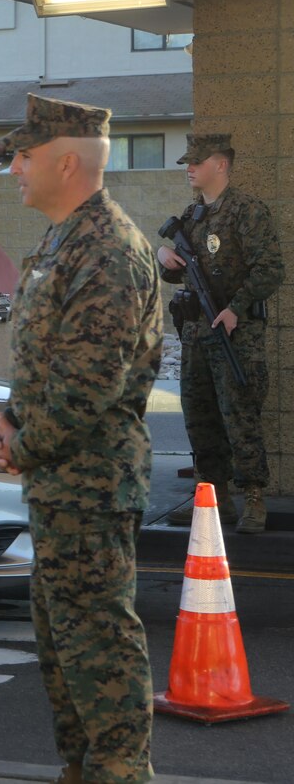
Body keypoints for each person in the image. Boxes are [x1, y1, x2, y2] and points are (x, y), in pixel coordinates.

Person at [0, 94, 162, 784]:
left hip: (90, 486)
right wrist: (10, 417)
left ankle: (121, 773)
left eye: (23, 157)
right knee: (64, 650)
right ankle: (82, 769)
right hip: (58, 484)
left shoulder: (110, 250)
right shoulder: (62, 239)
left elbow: (86, 387)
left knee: (99, 647)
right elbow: (42, 358)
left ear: (66, 161)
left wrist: (19, 444)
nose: (14, 170)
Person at [157, 134, 284, 534]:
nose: (189, 169)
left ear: (221, 165)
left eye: (197, 162)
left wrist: (235, 308)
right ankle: (213, 499)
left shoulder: (246, 210)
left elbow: (270, 269)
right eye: (188, 163)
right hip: (195, 332)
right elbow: (174, 271)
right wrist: (164, 257)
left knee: (240, 415)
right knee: (200, 418)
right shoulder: (192, 215)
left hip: (235, 333)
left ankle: (253, 499)